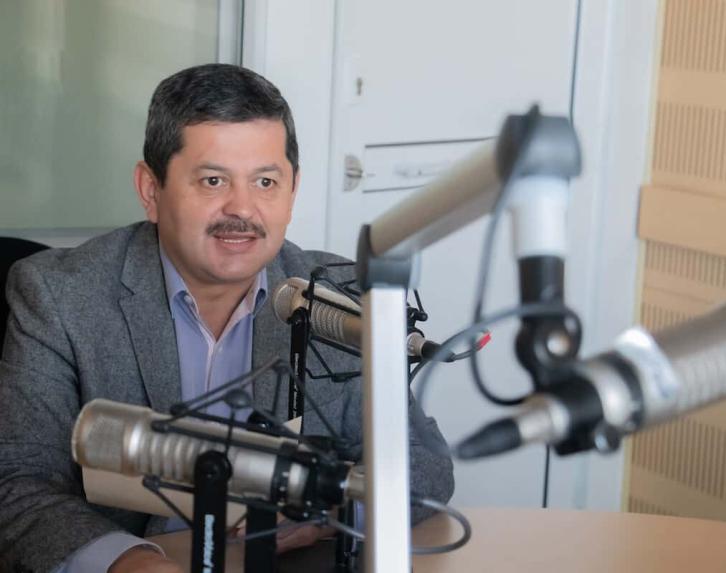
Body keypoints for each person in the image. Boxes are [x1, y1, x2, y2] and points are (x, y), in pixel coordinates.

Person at [0, 64, 454, 573]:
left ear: (293, 191)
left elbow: (423, 464)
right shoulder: (60, 295)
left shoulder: (333, 300)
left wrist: (324, 515)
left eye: (265, 181)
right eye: (213, 180)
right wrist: (129, 563)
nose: (242, 209)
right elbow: (16, 482)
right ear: (151, 190)